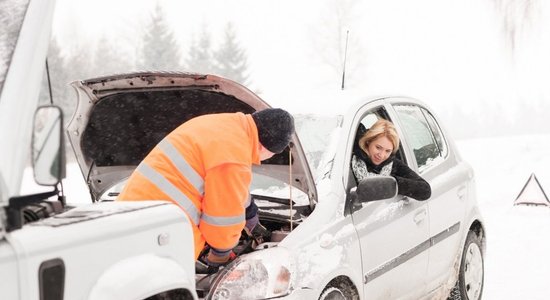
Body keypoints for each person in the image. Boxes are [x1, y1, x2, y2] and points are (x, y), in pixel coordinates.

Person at [117, 108, 295, 267]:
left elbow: (226, 185)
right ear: (267, 148)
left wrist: (250, 212)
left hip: (126, 215)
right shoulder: (234, 155)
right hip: (161, 233)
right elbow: (222, 218)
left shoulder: (223, 126)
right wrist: (221, 254)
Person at [351, 119, 431, 200]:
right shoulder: (349, 159)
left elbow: (425, 190)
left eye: (387, 151)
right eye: (378, 147)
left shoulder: (392, 164)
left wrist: (390, 183)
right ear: (368, 141)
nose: (381, 155)